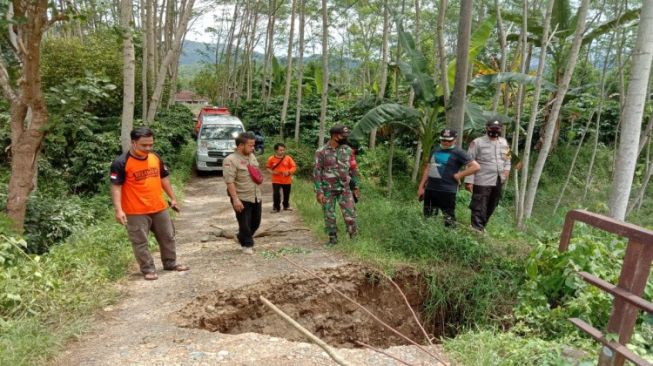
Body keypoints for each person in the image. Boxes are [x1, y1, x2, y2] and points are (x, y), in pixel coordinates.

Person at [110, 127, 189, 281]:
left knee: (168, 236)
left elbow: (163, 178)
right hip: (136, 211)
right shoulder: (121, 163)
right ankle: (148, 269)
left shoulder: (155, 158)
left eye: (151, 145)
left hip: (159, 207)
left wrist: (172, 198)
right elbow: (116, 187)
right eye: (144, 145)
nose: (148, 148)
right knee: (140, 242)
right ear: (133, 143)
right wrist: (119, 210)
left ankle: (170, 263)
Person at [417, 128, 480, 226]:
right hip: (431, 189)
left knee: (449, 218)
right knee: (428, 218)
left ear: (455, 140)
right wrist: (421, 187)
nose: (445, 142)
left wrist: (459, 175)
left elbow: (476, 166)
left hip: (447, 191)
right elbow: (428, 169)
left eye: (449, 140)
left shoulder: (459, 152)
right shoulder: (435, 150)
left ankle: (449, 238)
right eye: (443, 140)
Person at [313, 125, 360, 245]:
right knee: (329, 215)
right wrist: (319, 191)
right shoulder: (321, 151)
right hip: (328, 189)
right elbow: (317, 172)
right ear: (334, 136)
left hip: (345, 188)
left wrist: (355, 187)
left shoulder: (348, 150)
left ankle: (354, 240)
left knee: (350, 215)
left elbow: (353, 170)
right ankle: (332, 239)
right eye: (342, 136)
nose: (345, 138)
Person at [464, 119, 512, 232]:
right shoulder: (477, 142)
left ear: (501, 129)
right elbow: (469, 162)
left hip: (498, 179)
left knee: (492, 204)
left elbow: (508, 159)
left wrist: (506, 171)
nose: (495, 131)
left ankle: (481, 226)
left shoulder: (504, 142)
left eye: (497, 128)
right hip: (482, 179)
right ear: (487, 128)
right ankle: (476, 229)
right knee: (479, 204)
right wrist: (469, 180)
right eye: (492, 128)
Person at [223, 132, 263, 254]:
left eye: (253, 145)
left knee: (256, 223)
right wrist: (235, 199)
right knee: (244, 223)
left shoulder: (251, 156)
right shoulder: (230, 160)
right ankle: (247, 245)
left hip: (256, 195)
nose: (253, 148)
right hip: (241, 196)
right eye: (250, 145)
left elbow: (255, 171)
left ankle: (241, 236)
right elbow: (229, 181)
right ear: (240, 146)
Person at [266, 143, 297, 213]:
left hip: (287, 180)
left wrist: (289, 172)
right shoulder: (271, 158)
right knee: (276, 194)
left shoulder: (288, 158)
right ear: (276, 150)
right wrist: (272, 172)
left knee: (286, 194)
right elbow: (268, 167)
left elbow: (294, 167)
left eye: (283, 150)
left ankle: (286, 206)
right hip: (276, 180)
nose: (282, 151)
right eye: (280, 150)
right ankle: (276, 207)